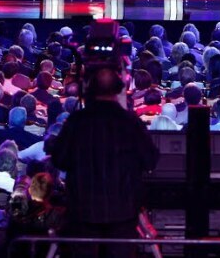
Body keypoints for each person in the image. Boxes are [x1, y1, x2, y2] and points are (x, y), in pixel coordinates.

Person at [46, 65, 159, 258]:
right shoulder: (130, 121)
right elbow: (150, 160)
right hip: (123, 209)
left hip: (83, 208)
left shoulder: (76, 121)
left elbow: (60, 159)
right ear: (118, 89)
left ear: (89, 90)